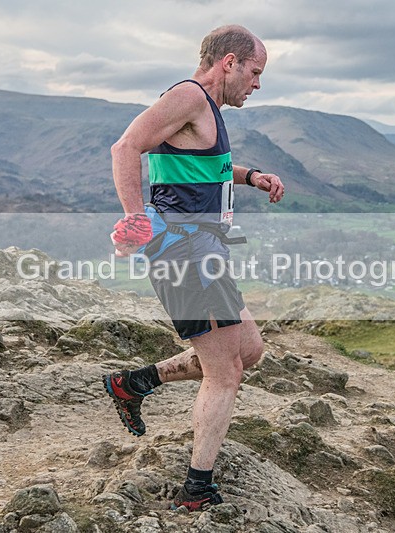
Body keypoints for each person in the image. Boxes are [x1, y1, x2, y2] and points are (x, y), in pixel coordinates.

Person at [103, 24, 285, 511]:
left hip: (205, 252)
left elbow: (204, 167)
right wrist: (135, 219)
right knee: (225, 372)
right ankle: (196, 491)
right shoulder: (188, 96)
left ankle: (133, 383)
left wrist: (251, 176)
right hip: (185, 254)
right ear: (229, 62)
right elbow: (125, 147)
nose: (257, 84)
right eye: (255, 72)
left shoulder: (206, 108)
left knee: (248, 349)